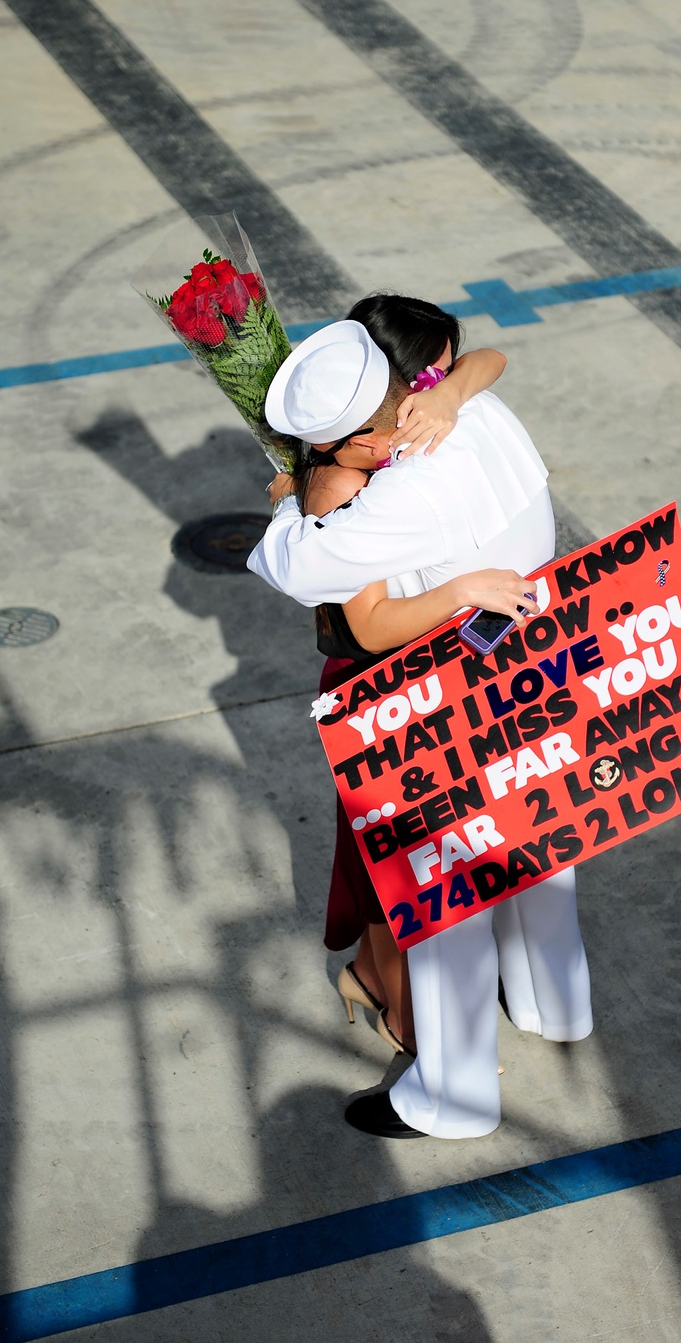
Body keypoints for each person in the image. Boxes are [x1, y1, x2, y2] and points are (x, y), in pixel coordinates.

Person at [250, 313, 593, 1141]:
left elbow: (295, 572)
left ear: (363, 437)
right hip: (539, 662)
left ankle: (454, 1099)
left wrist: (293, 506)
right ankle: (557, 1006)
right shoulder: (475, 413)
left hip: (456, 694)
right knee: (543, 839)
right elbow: (484, 363)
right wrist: (461, 384)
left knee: (447, 895)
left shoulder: (396, 495)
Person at [295, 296, 509, 1057]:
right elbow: (367, 626)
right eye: (404, 409)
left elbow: (493, 361)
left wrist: (451, 391)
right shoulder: (341, 494)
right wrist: (462, 591)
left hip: (408, 677)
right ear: (356, 433)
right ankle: (404, 1016)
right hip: (376, 686)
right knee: (398, 868)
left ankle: (369, 977)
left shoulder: (352, 450)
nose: (415, 422)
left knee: (400, 857)